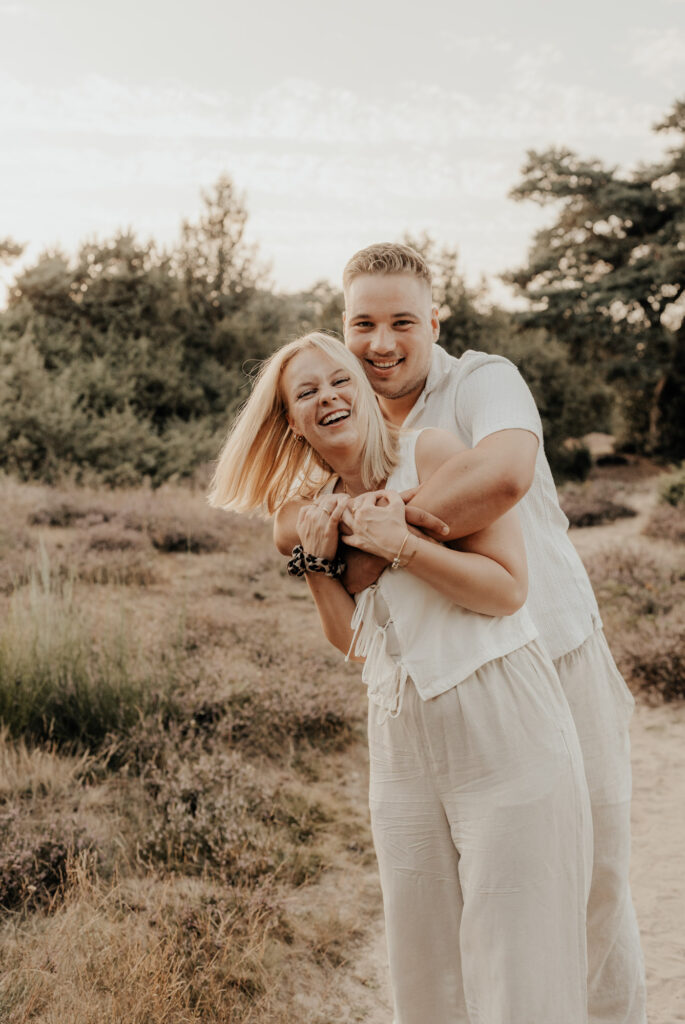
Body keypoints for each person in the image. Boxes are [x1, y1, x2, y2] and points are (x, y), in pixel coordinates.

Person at [274, 243, 646, 1024]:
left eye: (401, 321)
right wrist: (332, 540)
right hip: (449, 681)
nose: (381, 343)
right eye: (362, 324)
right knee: (475, 913)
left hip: (556, 649)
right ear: (342, 330)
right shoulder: (349, 422)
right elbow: (289, 526)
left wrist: (376, 540)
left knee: (593, 882)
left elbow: (503, 475)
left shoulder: (480, 381)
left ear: (433, 322)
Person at [209, 331, 593, 1024]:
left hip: (503, 715)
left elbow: (505, 591)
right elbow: (350, 643)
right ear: (290, 422)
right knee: (423, 968)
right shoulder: (307, 512)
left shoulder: (434, 451)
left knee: (519, 957)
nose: (327, 396)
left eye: (337, 380)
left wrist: (404, 547)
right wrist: (319, 564)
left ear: (362, 387)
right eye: (306, 392)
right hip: (398, 738)